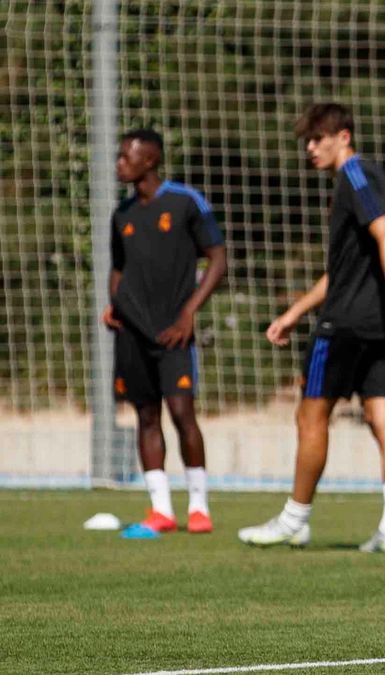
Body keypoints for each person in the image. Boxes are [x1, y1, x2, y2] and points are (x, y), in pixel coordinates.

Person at [238, 103, 385, 554]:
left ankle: (294, 520)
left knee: (312, 415)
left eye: (318, 138)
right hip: (378, 326)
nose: (311, 148)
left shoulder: (355, 176)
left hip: (344, 325)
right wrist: (294, 312)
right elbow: (343, 271)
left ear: (344, 135)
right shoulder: (365, 179)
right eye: (307, 141)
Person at [103, 128, 227, 534]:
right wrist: (115, 304)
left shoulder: (185, 202)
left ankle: (199, 507)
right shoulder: (121, 214)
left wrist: (189, 312)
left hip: (174, 332)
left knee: (181, 413)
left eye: (126, 156)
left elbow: (217, 258)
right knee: (146, 415)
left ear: (150, 160)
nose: (119, 163)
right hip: (132, 334)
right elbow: (119, 269)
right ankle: (161, 510)